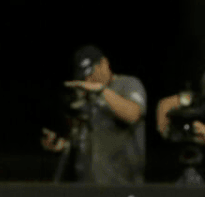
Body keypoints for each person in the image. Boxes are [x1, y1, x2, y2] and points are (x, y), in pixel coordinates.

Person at [40, 44, 146, 184]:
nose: (88, 80)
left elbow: (133, 114)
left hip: (122, 186)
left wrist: (101, 91)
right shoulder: (84, 96)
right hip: (86, 186)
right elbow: (81, 136)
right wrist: (61, 144)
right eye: (84, 75)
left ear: (104, 63)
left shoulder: (128, 84)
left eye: (91, 73)